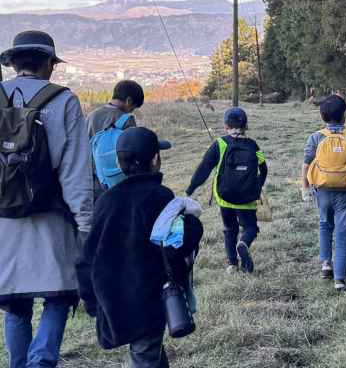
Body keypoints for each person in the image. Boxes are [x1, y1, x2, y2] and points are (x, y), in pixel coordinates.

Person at [0, 30, 93, 368]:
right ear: (49, 64)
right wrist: (85, 224)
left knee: (15, 303)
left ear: (13, 63)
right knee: (59, 295)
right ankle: (41, 361)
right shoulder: (64, 100)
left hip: (3, 220)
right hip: (50, 216)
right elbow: (75, 171)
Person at [77, 127, 203, 368]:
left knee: (150, 351)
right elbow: (175, 245)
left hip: (112, 298)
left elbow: (87, 256)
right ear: (155, 159)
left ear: (118, 162)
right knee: (144, 355)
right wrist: (193, 224)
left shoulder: (105, 201)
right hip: (147, 297)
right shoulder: (159, 196)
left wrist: (91, 300)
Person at [301, 95, 346, 292]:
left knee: (325, 224)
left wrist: (305, 187)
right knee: (343, 232)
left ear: (322, 116)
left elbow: (306, 164)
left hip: (322, 189)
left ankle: (326, 264)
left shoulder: (316, 137)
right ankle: (339, 279)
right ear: (344, 115)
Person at [186, 108, 267, 273]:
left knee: (229, 228)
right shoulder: (252, 145)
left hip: (224, 197)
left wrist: (191, 189)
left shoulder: (220, 143)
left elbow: (204, 168)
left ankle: (232, 264)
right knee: (250, 227)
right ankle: (243, 243)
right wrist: (258, 187)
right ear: (246, 126)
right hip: (247, 197)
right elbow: (263, 169)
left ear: (225, 126)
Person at [87, 80, 144, 194]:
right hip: (115, 180)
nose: (132, 110)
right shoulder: (126, 120)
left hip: (92, 180)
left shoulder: (92, 115)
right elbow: (132, 154)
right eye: (134, 107)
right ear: (128, 101)